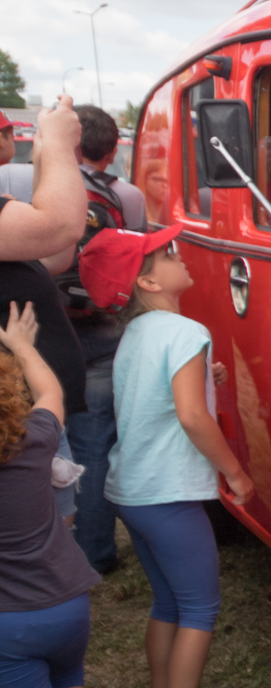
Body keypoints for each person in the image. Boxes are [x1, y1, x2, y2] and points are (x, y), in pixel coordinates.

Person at [80, 227, 252, 688]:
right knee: (200, 606)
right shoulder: (185, 330)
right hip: (167, 493)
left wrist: (205, 375)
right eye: (168, 254)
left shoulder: (136, 332)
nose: (181, 257)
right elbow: (192, 417)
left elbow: (154, 394)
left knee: (168, 603)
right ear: (149, 282)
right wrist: (235, 473)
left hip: (131, 490)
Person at [0, 96, 124, 688]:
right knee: (31, 568)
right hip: (19, 428)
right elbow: (60, 227)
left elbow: (55, 247)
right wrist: (54, 141)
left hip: (23, 426)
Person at [0, 300, 108, 688]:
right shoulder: (34, 439)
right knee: (67, 682)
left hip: (6, 622)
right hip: (65, 603)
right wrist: (21, 345)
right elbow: (51, 392)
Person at [67, 105, 148, 575]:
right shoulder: (128, 196)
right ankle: (95, 553)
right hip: (103, 329)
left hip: (42, 328)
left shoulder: (41, 189)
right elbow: (134, 258)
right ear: (114, 149)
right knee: (95, 443)